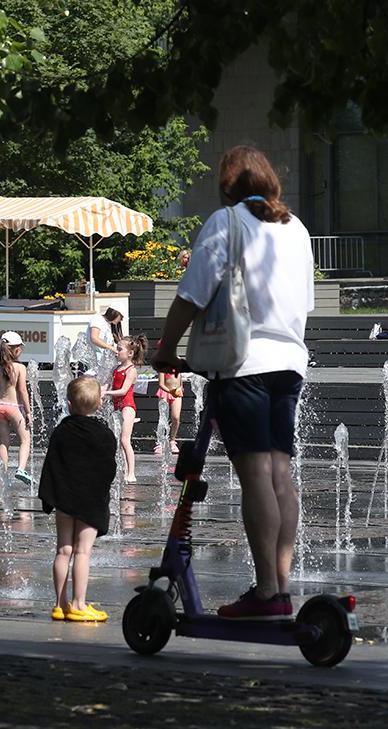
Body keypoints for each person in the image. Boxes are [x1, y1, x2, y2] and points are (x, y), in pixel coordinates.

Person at [154, 145, 314, 620]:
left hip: (243, 363)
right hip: (290, 363)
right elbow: (303, 303)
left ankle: (267, 591)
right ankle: (280, 585)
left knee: (256, 476)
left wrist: (166, 349)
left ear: (228, 185)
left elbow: (191, 294)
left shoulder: (226, 223)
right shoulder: (297, 229)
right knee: (281, 473)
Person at [38, 377, 116, 622]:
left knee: (63, 550)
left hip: (65, 498)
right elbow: (108, 469)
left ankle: (60, 605)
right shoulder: (104, 434)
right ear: (99, 404)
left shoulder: (62, 430)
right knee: (82, 552)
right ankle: (79, 604)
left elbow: (51, 464)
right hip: (90, 500)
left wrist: (50, 495)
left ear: (69, 404)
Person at [0, 331, 32, 484]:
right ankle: (21, 469)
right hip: (14, 407)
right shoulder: (19, 368)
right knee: (25, 439)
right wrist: (28, 412)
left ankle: (4, 474)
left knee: (3, 441)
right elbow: (22, 391)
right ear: (17, 350)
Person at [103, 335, 147, 484]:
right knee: (118, 441)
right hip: (116, 407)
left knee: (124, 440)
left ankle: (132, 473)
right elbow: (107, 385)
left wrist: (106, 393)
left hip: (128, 407)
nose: (116, 351)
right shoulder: (115, 369)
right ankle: (125, 469)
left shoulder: (131, 370)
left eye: (119, 349)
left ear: (130, 353)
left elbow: (123, 391)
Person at [154, 340, 183, 455]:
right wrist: (171, 391)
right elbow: (161, 383)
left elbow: (179, 378)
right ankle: (160, 443)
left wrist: (179, 388)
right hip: (165, 392)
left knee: (176, 417)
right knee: (163, 418)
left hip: (177, 393)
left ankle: (172, 440)